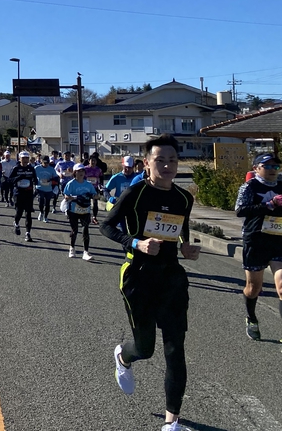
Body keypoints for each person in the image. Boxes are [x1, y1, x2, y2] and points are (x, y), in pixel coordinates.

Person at [101, 134, 200, 431]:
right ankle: (123, 356)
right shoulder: (135, 193)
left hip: (171, 277)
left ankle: (172, 423)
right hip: (138, 275)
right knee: (146, 348)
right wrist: (136, 243)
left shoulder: (184, 198)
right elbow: (106, 226)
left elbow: (181, 228)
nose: (167, 166)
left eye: (172, 160)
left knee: (175, 349)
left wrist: (185, 246)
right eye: (160, 160)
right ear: (147, 163)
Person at [234, 152, 282, 341]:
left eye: (275, 166)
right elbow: (240, 210)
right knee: (254, 287)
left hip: (278, 241)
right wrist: (269, 205)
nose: (272, 170)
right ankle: (251, 318)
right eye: (267, 166)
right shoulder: (250, 186)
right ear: (256, 168)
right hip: (256, 241)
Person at [64, 163, 97, 260]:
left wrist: (91, 196)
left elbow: (95, 195)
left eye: (82, 171)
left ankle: (86, 252)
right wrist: (76, 197)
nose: (81, 173)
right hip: (73, 210)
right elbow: (66, 196)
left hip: (85, 210)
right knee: (75, 230)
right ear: (75, 172)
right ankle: (72, 248)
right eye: (78, 171)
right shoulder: (71, 184)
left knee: (85, 230)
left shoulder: (88, 184)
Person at [10, 150, 37, 242]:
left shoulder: (31, 169)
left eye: (27, 158)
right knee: (19, 212)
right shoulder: (16, 168)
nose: (25, 160)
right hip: (18, 193)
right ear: (19, 159)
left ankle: (28, 233)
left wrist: (35, 184)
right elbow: (9, 180)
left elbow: (35, 180)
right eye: (23, 158)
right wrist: (18, 178)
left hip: (28, 193)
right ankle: (16, 223)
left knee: (28, 213)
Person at [34, 155, 59, 222]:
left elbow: (56, 178)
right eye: (44, 162)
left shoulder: (51, 169)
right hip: (39, 187)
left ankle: (45, 217)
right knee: (41, 201)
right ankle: (41, 212)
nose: (46, 164)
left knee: (47, 203)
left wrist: (50, 179)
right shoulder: (37, 168)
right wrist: (34, 181)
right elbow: (32, 176)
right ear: (41, 161)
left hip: (48, 188)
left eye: (47, 162)